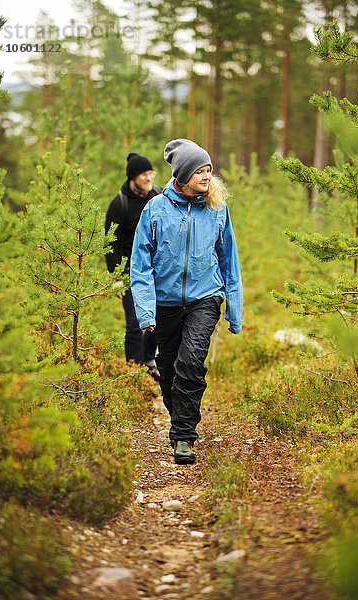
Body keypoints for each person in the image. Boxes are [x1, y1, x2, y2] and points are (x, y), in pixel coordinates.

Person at [130, 139, 243, 464]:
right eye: (200, 171)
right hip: (165, 304)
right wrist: (146, 311)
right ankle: (180, 412)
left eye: (209, 170)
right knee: (168, 368)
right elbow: (140, 265)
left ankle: (183, 437)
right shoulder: (156, 210)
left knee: (190, 363)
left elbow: (229, 261)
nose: (207, 176)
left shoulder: (217, 208)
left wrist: (233, 308)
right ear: (182, 175)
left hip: (204, 299)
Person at [105, 152, 162, 378]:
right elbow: (111, 243)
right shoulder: (119, 204)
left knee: (158, 319)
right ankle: (134, 373)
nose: (149, 178)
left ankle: (149, 361)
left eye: (151, 173)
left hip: (158, 270)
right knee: (134, 323)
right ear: (132, 177)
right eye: (144, 175)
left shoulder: (158, 196)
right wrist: (116, 277)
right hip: (130, 273)